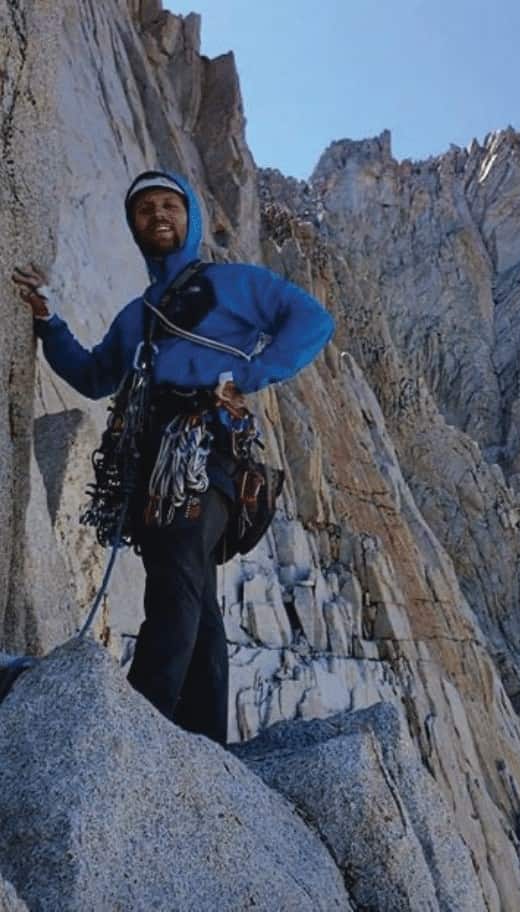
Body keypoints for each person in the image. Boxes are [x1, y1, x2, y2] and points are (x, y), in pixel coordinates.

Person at [12, 169, 334, 745]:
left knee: (175, 587)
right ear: (133, 227)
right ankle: (203, 742)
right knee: (195, 598)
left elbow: (312, 319)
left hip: (201, 456)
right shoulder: (135, 317)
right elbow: (92, 376)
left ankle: (133, 733)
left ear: (189, 218)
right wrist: (48, 321)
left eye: (169, 205)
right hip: (156, 463)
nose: (157, 215)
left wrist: (251, 374)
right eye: (144, 210)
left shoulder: (233, 282)